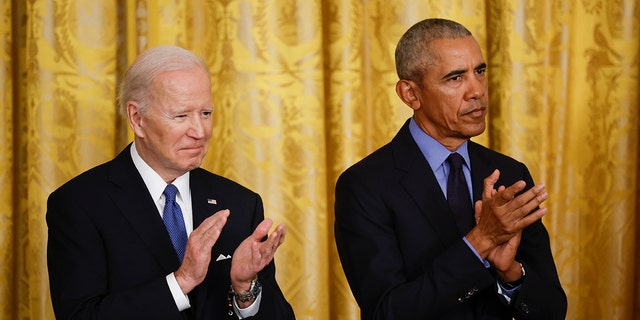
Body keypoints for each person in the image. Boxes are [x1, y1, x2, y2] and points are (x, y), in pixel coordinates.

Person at [334, 18, 567, 319]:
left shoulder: (511, 174)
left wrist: (510, 273)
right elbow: (386, 312)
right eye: (455, 78)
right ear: (410, 94)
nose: (477, 91)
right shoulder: (365, 185)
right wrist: (481, 241)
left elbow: (553, 311)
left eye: (479, 72)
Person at [46, 45, 296, 319]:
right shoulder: (79, 204)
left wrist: (244, 289)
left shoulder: (241, 204)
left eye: (206, 113)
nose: (200, 132)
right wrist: (179, 282)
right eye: (181, 116)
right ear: (137, 118)